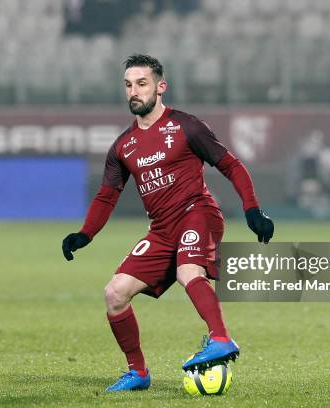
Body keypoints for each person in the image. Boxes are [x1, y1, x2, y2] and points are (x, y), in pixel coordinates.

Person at [62, 54, 274, 392]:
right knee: (114, 293)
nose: (134, 91)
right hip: (161, 230)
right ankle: (139, 373)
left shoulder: (187, 126)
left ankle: (221, 338)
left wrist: (252, 210)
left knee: (188, 271)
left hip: (197, 213)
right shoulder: (123, 146)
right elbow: (106, 197)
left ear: (161, 87)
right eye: (129, 85)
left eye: (142, 84)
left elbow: (231, 165)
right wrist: (84, 234)